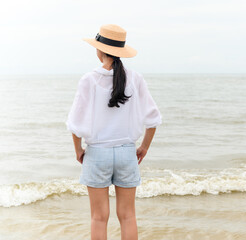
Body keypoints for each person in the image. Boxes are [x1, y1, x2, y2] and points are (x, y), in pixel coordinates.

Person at [65, 24, 162, 240]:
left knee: (99, 217)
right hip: (127, 154)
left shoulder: (89, 79)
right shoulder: (135, 78)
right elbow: (153, 119)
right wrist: (144, 147)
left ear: (99, 50)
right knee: (128, 216)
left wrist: (78, 150)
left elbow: (75, 123)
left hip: (97, 154)